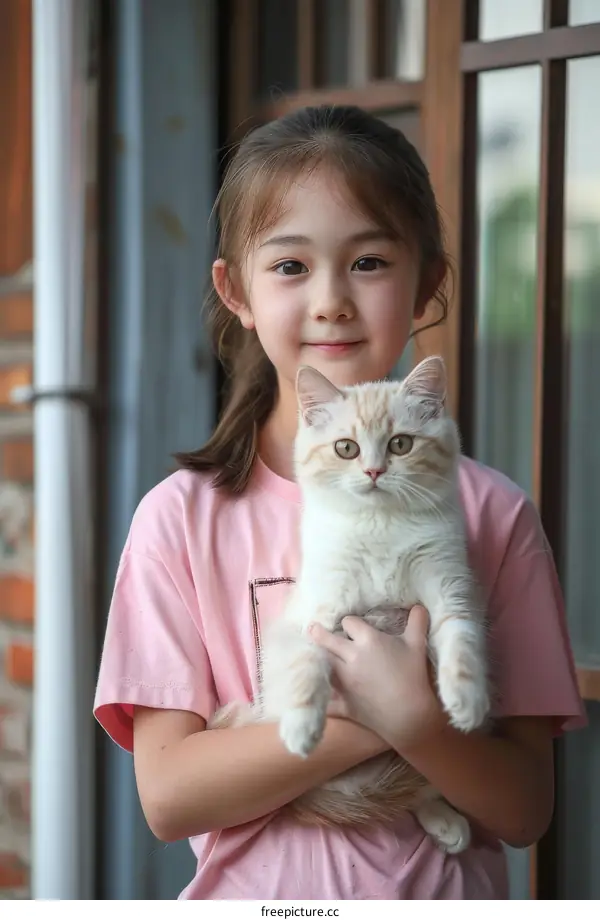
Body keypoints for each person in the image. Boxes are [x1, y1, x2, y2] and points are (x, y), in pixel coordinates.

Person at [93, 104, 585, 900]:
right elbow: (169, 797)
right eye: (290, 266)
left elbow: (525, 808)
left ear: (428, 284)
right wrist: (380, 715)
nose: (331, 301)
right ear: (235, 291)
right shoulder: (180, 520)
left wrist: (419, 724)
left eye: (369, 262)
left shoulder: (493, 514)